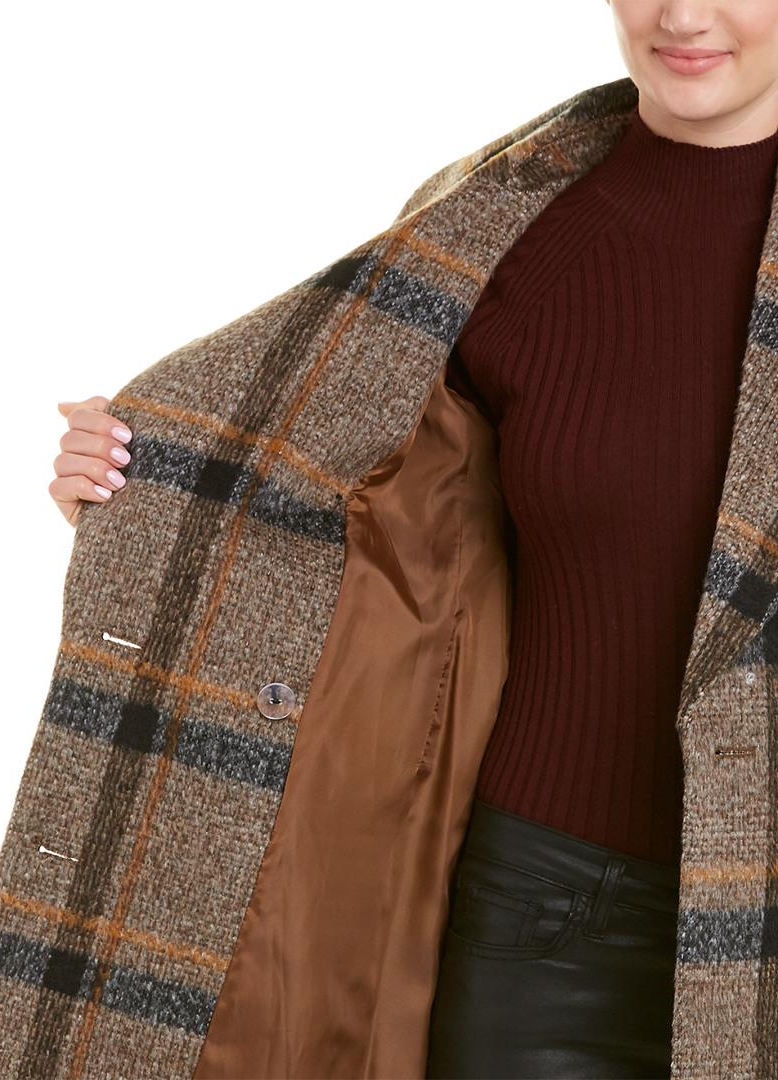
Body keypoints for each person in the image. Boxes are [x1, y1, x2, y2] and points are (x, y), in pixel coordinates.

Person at [47, 4, 778, 1078]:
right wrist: (151, 492)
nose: (681, 16)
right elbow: (361, 528)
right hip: (545, 914)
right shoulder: (494, 228)